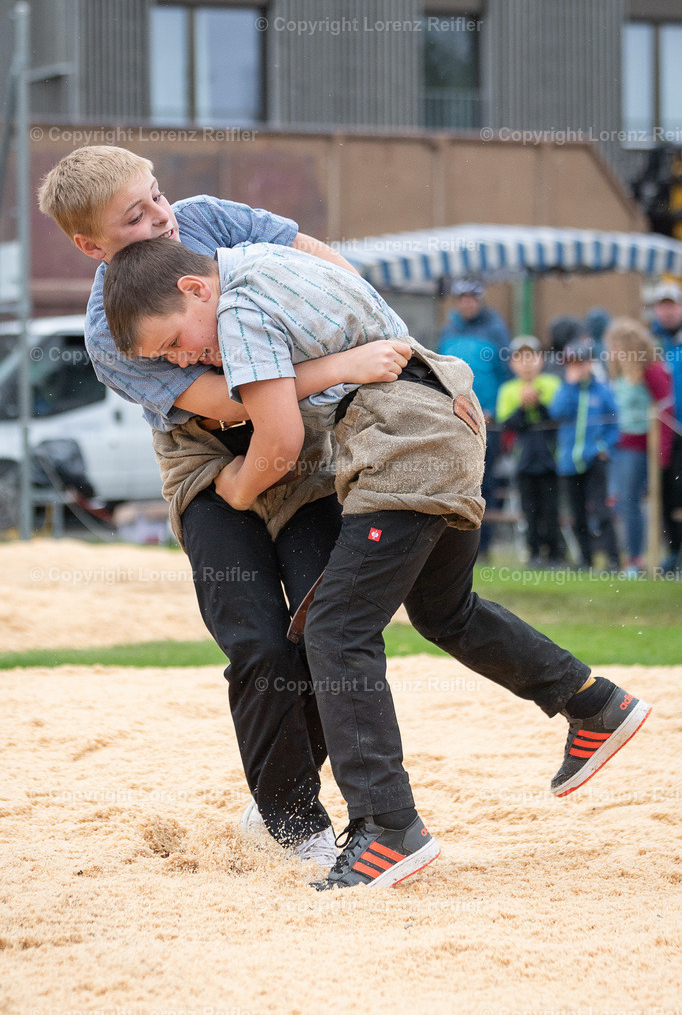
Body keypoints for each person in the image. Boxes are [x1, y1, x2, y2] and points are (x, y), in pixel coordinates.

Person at [103, 237, 652, 892]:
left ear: (197, 288)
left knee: (336, 628)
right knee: (445, 610)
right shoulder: (273, 259)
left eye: (175, 343)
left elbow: (277, 439)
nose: (182, 359)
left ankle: (388, 829)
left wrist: (233, 490)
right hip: (444, 426)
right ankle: (593, 704)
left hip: (402, 451)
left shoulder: (238, 311)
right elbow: (362, 306)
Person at [38, 145, 412, 867]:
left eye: (155, 194)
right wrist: (340, 366)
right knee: (258, 640)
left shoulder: (208, 219)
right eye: (134, 215)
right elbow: (230, 400)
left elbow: (318, 261)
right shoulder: (108, 330)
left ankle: (286, 792)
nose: (159, 214)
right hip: (210, 465)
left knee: (327, 624)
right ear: (91, 245)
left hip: (297, 454)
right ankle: (294, 822)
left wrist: (374, 329)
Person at [437, 278, 511, 561]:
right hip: (454, 422)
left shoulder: (496, 329)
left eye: (472, 298)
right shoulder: (448, 329)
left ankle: (485, 545)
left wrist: (494, 409)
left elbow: (506, 376)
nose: (467, 303)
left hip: (487, 422)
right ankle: (456, 546)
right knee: (456, 482)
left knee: (486, 483)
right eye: (462, 298)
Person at [603, 318, 674, 576]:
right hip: (620, 445)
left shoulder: (652, 370)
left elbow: (666, 411)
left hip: (642, 446)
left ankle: (637, 559)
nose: (611, 351)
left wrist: (663, 453)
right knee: (620, 502)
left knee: (633, 500)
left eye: (616, 345)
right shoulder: (618, 372)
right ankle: (630, 556)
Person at [549, 339, 620, 570]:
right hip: (569, 461)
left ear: (590, 363)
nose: (576, 367)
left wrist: (603, 448)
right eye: (572, 363)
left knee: (601, 511)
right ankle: (585, 559)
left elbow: (614, 424)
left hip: (594, 460)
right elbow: (557, 411)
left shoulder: (602, 391)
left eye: (580, 362)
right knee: (577, 514)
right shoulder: (565, 389)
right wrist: (570, 385)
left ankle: (613, 560)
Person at [495, 336, 562, 566]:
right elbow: (507, 424)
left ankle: (555, 554)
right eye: (520, 358)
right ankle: (534, 553)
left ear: (540, 360)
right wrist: (524, 406)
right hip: (523, 459)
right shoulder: (508, 389)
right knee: (530, 509)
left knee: (551, 508)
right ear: (513, 363)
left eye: (531, 356)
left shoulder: (552, 384)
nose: (526, 363)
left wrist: (538, 403)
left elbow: (555, 419)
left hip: (550, 457)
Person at [649, 282, 682, 572]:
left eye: (672, 305)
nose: (667, 311)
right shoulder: (651, 342)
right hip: (663, 431)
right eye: (663, 305)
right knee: (667, 493)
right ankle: (673, 552)